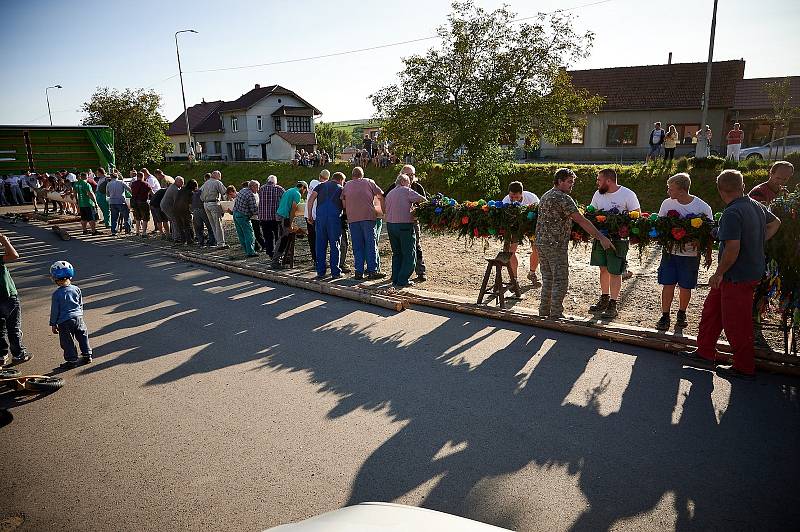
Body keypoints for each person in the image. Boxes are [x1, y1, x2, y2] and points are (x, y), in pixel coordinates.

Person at [679, 170, 781, 380]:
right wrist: (758, 241)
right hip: (742, 272)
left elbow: (732, 248)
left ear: (720, 190)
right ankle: (705, 351)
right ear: (742, 186)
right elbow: (776, 222)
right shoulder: (755, 205)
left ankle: (744, 366)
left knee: (736, 322)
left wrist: (718, 273)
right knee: (712, 311)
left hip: (737, 275)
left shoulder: (732, 213)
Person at [536, 168, 615, 319]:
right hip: (555, 244)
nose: (571, 185)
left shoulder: (546, 195)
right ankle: (556, 313)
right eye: (569, 182)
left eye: (572, 182)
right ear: (559, 182)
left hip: (541, 242)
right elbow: (580, 219)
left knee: (548, 278)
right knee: (560, 280)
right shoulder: (563, 198)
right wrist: (600, 237)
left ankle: (544, 311)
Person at [654, 173, 714, 331]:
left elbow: (709, 233)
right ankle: (665, 315)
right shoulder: (667, 204)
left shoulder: (702, 207)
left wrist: (708, 254)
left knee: (686, 286)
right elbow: (660, 225)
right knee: (668, 284)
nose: (668, 192)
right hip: (670, 252)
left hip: (690, 255)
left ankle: (682, 313)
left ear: (682, 190)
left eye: (671, 189)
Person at [587, 168, 641, 319]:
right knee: (603, 269)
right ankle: (604, 298)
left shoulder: (628, 194)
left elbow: (636, 214)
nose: (597, 183)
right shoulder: (598, 194)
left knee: (615, 272)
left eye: (599, 180)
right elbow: (592, 212)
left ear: (608, 181)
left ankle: (613, 303)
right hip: (601, 236)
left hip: (619, 239)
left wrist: (621, 227)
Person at [383, 165, 428, 281]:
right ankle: (400, 277)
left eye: (412, 175)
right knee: (404, 251)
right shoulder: (396, 186)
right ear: (401, 175)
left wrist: (417, 211)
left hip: (411, 221)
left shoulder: (417, 187)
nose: (411, 177)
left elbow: (424, 202)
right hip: (403, 222)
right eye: (408, 175)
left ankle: (420, 272)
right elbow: (383, 198)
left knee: (416, 247)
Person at [341, 166, 385, 280]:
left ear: (352, 175)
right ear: (362, 175)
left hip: (353, 219)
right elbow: (381, 195)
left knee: (357, 246)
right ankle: (372, 271)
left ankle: (358, 272)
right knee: (371, 244)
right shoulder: (369, 182)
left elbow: (343, 203)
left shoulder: (347, 185)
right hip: (368, 217)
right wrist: (383, 211)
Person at [49, 261, 93, 368]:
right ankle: (87, 354)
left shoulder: (56, 294)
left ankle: (72, 360)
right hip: (78, 318)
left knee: (67, 341)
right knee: (82, 336)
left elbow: (55, 310)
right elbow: (80, 303)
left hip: (64, 321)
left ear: (55, 279)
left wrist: (53, 324)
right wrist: (80, 315)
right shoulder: (76, 289)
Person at [0, 232, 31, 367]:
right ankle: (18, 354)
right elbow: (14, 255)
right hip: (8, 297)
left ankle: (1, 355)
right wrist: (5, 241)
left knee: (0, 330)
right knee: (13, 327)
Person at [501, 181, 541, 286]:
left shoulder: (532, 198)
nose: (513, 200)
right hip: (515, 226)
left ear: (521, 194)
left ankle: (532, 273)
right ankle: (514, 279)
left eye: (516, 197)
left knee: (536, 249)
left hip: (531, 225)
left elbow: (539, 214)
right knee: (511, 251)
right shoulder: (506, 201)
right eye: (511, 197)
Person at [307, 172, 345, 279]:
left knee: (320, 245)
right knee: (335, 245)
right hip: (334, 219)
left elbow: (310, 200)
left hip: (321, 218)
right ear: (340, 180)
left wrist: (310, 215)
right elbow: (345, 204)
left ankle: (320, 271)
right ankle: (335, 272)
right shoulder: (341, 188)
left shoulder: (320, 186)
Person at [272, 181, 307, 269]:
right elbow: (293, 210)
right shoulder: (297, 194)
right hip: (285, 216)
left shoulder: (289, 190)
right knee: (283, 239)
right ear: (303, 187)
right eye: (305, 190)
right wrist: (291, 223)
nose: (304, 193)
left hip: (280, 214)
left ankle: (283, 258)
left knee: (282, 238)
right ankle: (275, 261)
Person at [258, 175, 284, 258]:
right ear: (275, 182)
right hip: (274, 217)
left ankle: (269, 252)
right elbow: (285, 199)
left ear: (267, 180)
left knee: (267, 236)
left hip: (263, 217)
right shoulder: (279, 189)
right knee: (277, 236)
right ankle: (277, 253)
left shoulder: (261, 188)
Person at [200, 170, 228, 249]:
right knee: (217, 223)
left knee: (212, 224)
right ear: (217, 176)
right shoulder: (217, 182)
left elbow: (200, 194)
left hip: (205, 204)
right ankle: (221, 243)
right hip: (213, 203)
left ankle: (216, 241)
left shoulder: (205, 183)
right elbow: (224, 192)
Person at [232, 180, 260, 257]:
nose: (258, 189)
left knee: (241, 234)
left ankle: (246, 250)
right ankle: (250, 252)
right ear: (252, 186)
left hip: (235, 214)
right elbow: (254, 210)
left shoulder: (242, 190)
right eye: (257, 187)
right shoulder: (250, 195)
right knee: (249, 234)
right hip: (243, 216)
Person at [305, 171, 328, 266]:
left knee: (312, 238)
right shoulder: (323, 186)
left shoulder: (312, 182)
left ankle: (315, 259)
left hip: (308, 214)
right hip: (316, 215)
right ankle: (320, 260)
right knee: (320, 239)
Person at [191, 174, 216, 247]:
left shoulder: (196, 191)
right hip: (202, 209)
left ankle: (201, 241)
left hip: (195, 210)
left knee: (199, 227)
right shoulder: (205, 189)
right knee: (209, 225)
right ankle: (212, 241)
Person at [130, 171, 152, 237]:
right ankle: (144, 233)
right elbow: (151, 192)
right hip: (143, 202)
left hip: (135, 202)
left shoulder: (133, 184)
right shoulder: (145, 184)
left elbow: (131, 192)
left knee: (137, 217)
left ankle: (137, 232)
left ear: (137, 177)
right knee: (145, 218)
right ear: (142, 177)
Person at [173, 179, 196, 245]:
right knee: (187, 225)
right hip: (184, 209)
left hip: (175, 209)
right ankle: (189, 240)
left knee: (180, 225)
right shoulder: (190, 192)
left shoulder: (181, 190)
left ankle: (183, 240)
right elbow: (190, 203)